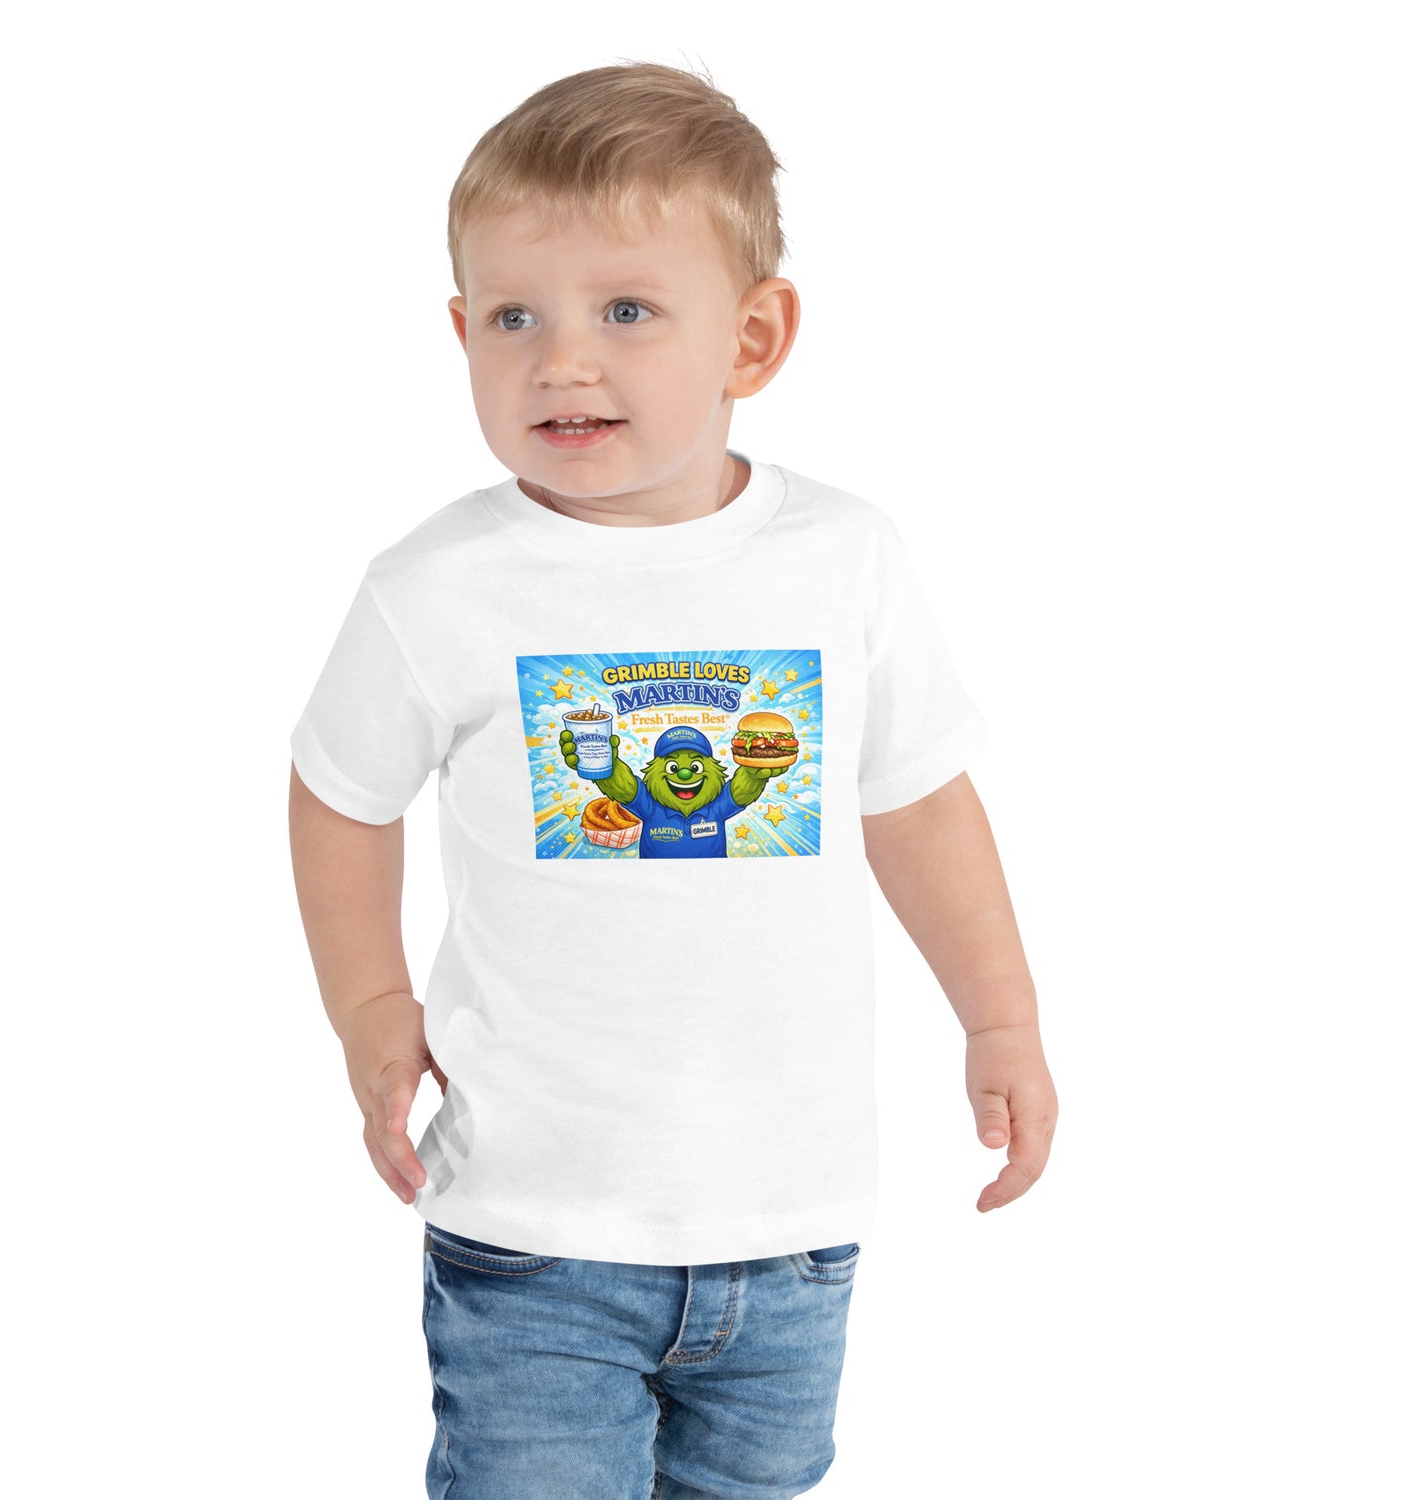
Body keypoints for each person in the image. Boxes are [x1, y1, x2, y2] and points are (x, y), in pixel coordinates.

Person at [288, 59, 1058, 1500]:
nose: (562, 361)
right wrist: (371, 1008)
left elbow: (918, 801)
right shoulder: (438, 587)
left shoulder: (845, 558)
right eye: (514, 317)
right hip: (533, 1226)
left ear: (753, 338)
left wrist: (1000, 1017)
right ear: (460, 332)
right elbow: (340, 795)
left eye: (626, 312)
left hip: (791, 1222)